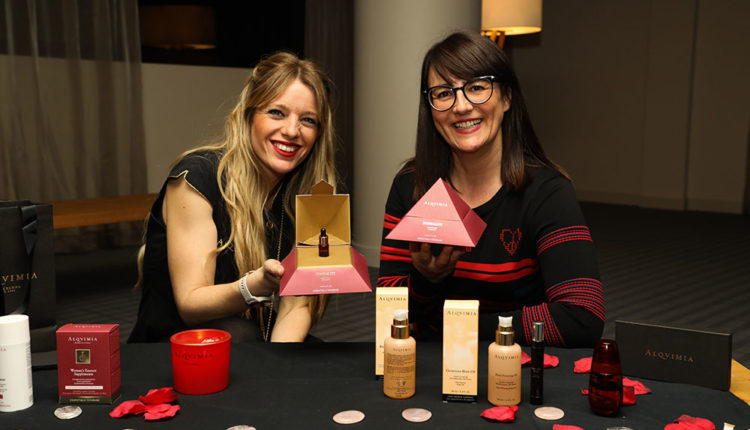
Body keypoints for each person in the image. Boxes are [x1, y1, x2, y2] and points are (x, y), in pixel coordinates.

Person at [377, 31, 604, 347]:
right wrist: (426, 280)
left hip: (514, 364)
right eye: (443, 93)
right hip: (430, 368)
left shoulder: (548, 192)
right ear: (430, 108)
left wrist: (456, 326)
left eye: (477, 87)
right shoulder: (411, 187)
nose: (461, 106)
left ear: (506, 97)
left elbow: (582, 317)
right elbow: (389, 312)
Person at [129, 52, 336, 343]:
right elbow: (190, 305)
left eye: (308, 120)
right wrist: (253, 286)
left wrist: (278, 365)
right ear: (248, 115)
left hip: (248, 335)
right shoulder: (196, 177)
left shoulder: (310, 199)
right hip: (173, 342)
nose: (292, 131)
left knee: (322, 360)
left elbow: (297, 307)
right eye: (277, 113)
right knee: (239, 336)